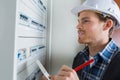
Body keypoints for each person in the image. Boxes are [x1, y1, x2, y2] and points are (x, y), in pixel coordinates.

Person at [42, 0, 120, 80]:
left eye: (85, 21)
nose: (78, 26)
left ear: (107, 25)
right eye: (78, 21)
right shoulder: (79, 57)